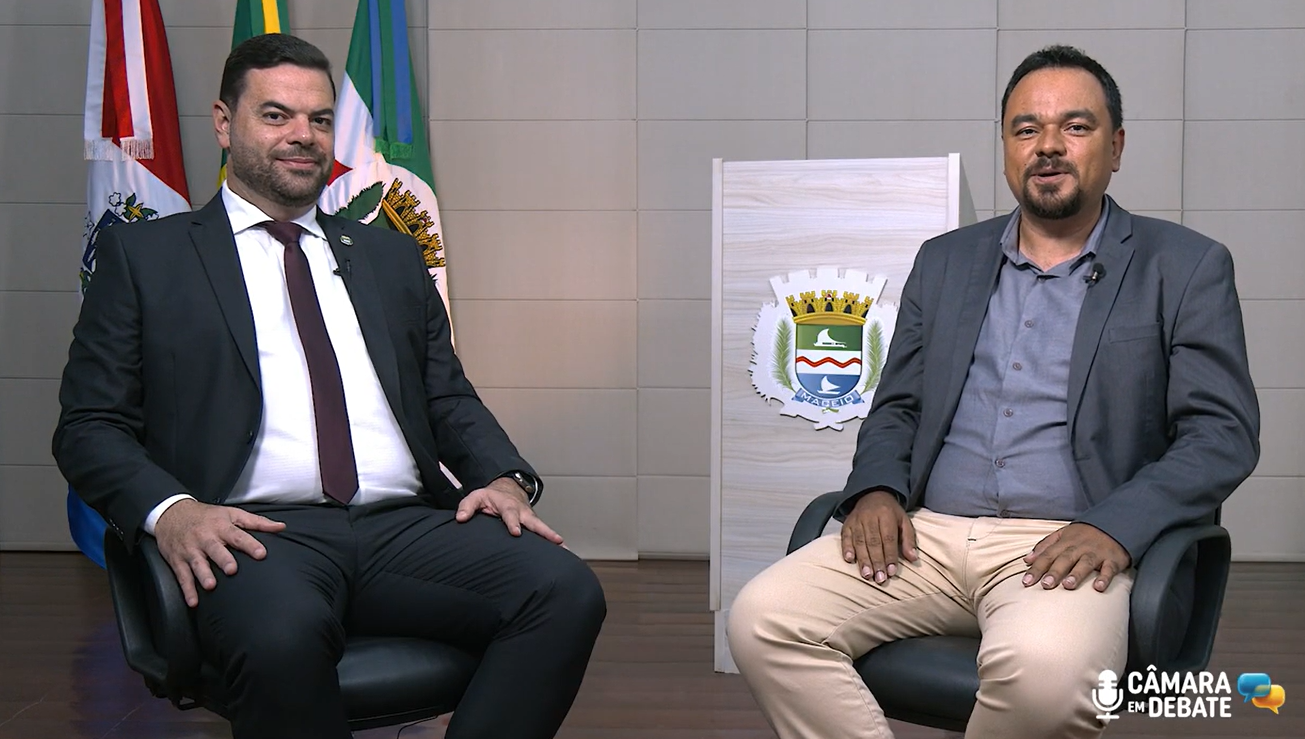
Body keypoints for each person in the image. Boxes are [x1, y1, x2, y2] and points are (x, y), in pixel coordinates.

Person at [53, 34, 605, 739]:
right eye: (276, 115)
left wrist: (501, 476)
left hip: (400, 526)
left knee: (564, 589)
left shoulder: (387, 254)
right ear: (224, 123)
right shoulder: (148, 258)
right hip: (254, 533)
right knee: (281, 636)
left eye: (318, 119)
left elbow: (446, 394)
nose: (302, 136)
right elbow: (89, 425)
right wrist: (173, 511)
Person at [727, 44, 1259, 739]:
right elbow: (898, 405)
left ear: (1116, 146)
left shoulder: (1184, 265)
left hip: (1066, 543)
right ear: (1006, 147)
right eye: (1025, 128)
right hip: (924, 536)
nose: (1048, 146)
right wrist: (877, 488)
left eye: (1075, 126)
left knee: (1047, 676)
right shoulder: (944, 260)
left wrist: (1114, 526)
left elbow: (1221, 434)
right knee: (762, 617)